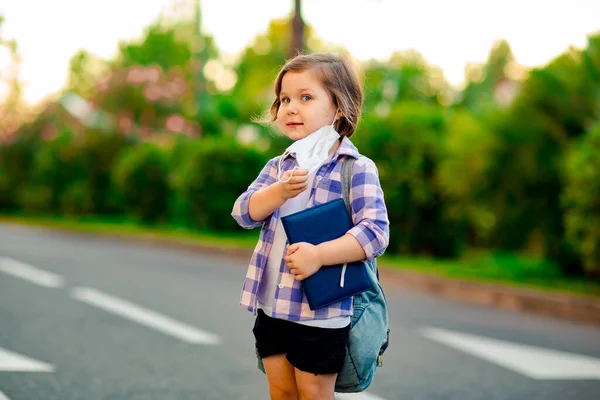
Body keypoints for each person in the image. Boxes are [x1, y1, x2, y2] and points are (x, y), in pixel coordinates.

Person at [231, 53, 389, 400]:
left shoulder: (356, 168)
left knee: (314, 392)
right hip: (273, 304)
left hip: (321, 312)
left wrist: (319, 255)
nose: (290, 107)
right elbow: (243, 212)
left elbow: (376, 232)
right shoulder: (279, 165)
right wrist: (278, 191)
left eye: (306, 97)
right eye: (284, 99)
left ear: (339, 108)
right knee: (281, 391)